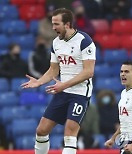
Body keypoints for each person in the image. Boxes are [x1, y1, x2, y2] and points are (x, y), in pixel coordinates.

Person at [21, 8, 96, 154]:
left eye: (56, 24)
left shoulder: (84, 41)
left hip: (80, 94)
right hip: (63, 91)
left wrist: (64, 85)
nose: (53, 28)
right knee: (41, 130)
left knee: (69, 132)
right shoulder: (56, 43)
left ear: (67, 24)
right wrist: (39, 82)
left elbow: (89, 71)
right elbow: (54, 70)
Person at [104, 61, 132, 154]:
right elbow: (125, 121)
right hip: (124, 141)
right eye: (121, 72)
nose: (123, 74)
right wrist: (113, 138)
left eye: (126, 72)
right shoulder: (124, 93)